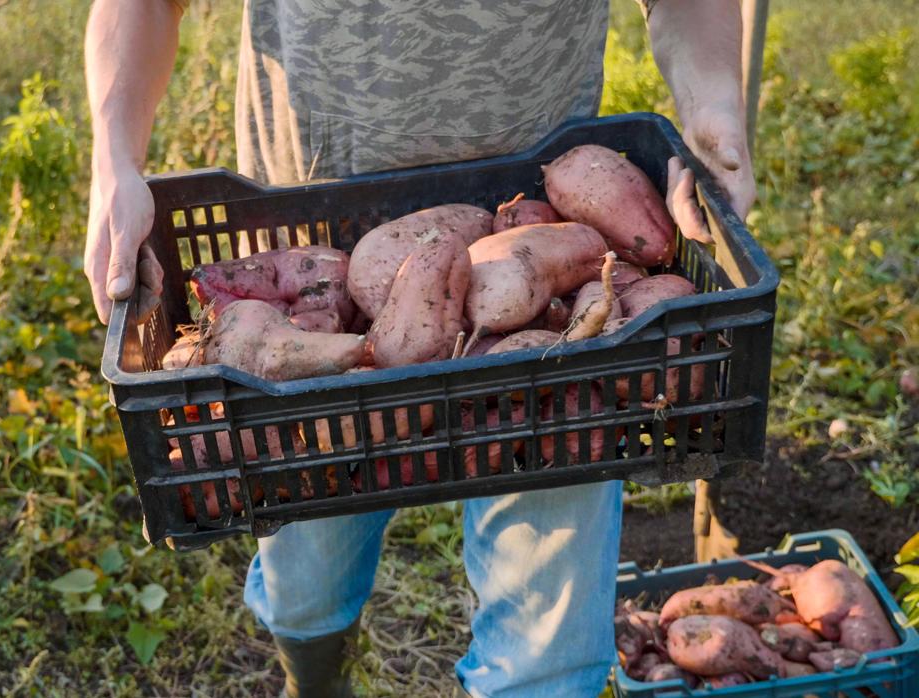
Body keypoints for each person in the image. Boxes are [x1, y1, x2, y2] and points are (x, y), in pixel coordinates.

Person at [83, 2, 756, 696]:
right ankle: (314, 681)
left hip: (543, 222)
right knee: (307, 582)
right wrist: (113, 162)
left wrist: (713, 103)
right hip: (311, 239)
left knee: (547, 656)